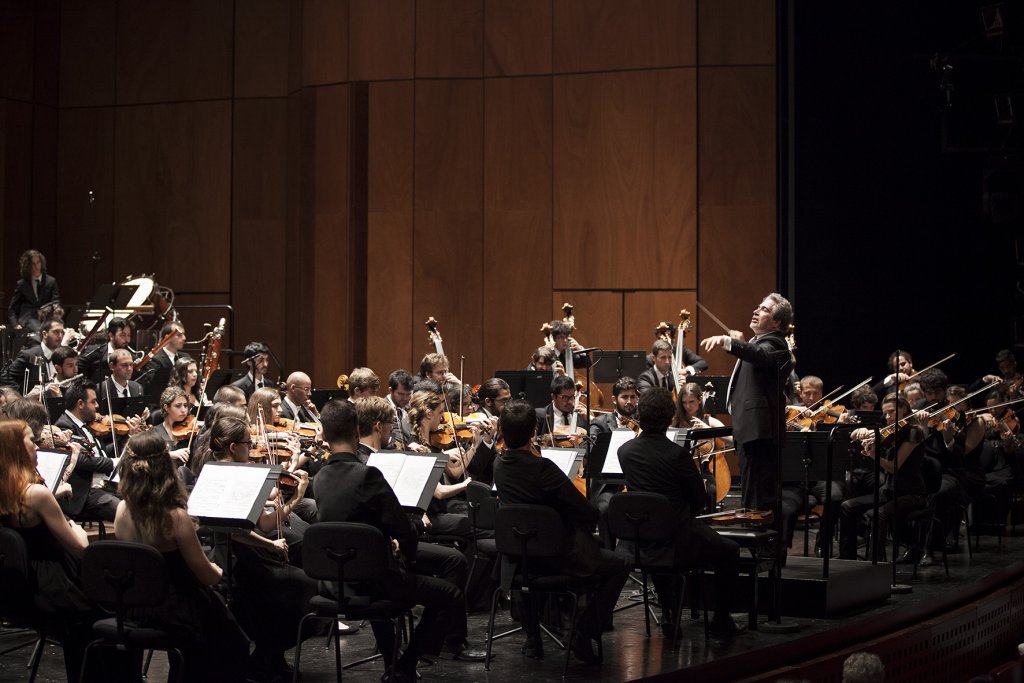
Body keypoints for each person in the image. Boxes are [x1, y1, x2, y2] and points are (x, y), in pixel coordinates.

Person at [314, 400, 485, 682]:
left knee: (388, 571)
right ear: (358, 432)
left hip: (336, 580)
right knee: (450, 596)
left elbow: (353, 524)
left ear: (324, 436)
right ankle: (406, 664)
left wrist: (388, 542)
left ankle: (392, 663)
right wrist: (406, 555)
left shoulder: (320, 477)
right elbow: (404, 529)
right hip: (374, 579)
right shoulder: (366, 474)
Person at [493, 399, 628, 663]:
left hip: (518, 557)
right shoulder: (543, 468)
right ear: (533, 432)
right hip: (557, 558)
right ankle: (583, 630)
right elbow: (586, 512)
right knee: (621, 563)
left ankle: (533, 639)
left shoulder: (499, 466)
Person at [113, 430, 249, 682]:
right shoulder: (174, 517)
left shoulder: (122, 509)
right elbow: (206, 576)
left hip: (136, 606)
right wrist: (218, 570)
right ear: (166, 466)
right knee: (234, 644)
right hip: (177, 610)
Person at [616, 388, 744, 638]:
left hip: (640, 539)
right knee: (730, 550)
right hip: (676, 538)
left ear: (640, 415)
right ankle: (721, 619)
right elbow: (698, 499)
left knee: (661, 538)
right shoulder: (677, 455)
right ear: (668, 418)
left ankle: (669, 613)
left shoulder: (625, 452)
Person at [0, 418, 92, 681]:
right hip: (57, 585)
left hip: (18, 588)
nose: (38, 448)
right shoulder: (37, 494)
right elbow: (80, 551)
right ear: (17, 448)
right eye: (32, 441)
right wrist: (79, 532)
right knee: (112, 612)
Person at [701, 293, 793, 514]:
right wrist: (742, 343)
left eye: (763, 309)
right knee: (751, 495)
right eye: (758, 307)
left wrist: (729, 342)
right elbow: (755, 353)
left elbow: (761, 355)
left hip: (760, 434)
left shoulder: (776, 344)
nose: (755, 311)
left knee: (760, 500)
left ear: (777, 322)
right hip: (751, 432)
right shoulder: (758, 343)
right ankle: (759, 542)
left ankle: (766, 547)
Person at [839, 394, 927, 561]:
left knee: (879, 514)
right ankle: (847, 558)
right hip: (889, 490)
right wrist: (859, 432)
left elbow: (894, 467)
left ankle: (877, 564)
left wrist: (873, 456)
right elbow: (859, 436)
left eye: (892, 412)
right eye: (885, 413)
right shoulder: (891, 432)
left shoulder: (914, 433)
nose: (888, 417)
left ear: (904, 410)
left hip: (912, 493)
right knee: (847, 506)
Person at [54, 380, 121, 522]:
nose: (97, 406)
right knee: (123, 510)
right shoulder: (63, 426)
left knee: (142, 501)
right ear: (80, 404)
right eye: (93, 402)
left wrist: (126, 438)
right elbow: (80, 460)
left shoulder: (86, 424)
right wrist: (113, 462)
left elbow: (99, 454)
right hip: (84, 493)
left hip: (103, 485)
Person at [3, 317, 66, 391]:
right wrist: (21, 397)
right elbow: (5, 378)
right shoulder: (28, 355)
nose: (60, 336)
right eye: (56, 332)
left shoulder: (61, 356)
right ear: (45, 334)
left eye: (62, 332)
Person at [7, 249, 61, 332]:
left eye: (38, 262)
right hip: (28, 318)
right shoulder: (22, 284)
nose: (36, 266)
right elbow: (12, 308)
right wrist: (16, 325)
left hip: (46, 318)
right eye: (33, 264)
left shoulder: (51, 281)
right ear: (27, 266)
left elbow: (56, 302)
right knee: (40, 330)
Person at [536, 374, 589, 443]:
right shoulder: (540, 415)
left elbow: (589, 443)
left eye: (572, 397)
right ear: (553, 397)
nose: (570, 402)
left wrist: (589, 419)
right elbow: (533, 443)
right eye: (565, 397)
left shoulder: (581, 415)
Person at [76, 317, 132, 381]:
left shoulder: (132, 357)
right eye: (122, 335)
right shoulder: (95, 352)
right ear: (111, 335)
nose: (127, 340)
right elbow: (77, 368)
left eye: (129, 335)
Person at [138, 321, 186, 392]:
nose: (184, 338)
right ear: (167, 337)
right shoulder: (155, 360)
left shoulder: (185, 357)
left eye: (184, 334)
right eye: (179, 335)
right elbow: (153, 388)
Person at [151, 386, 194, 464]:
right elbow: (149, 459)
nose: (184, 410)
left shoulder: (191, 431)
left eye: (185, 405)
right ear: (166, 407)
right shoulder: (155, 433)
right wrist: (169, 455)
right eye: (178, 406)